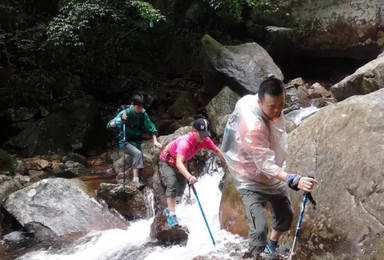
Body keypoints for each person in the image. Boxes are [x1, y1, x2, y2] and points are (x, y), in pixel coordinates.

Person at [220, 77, 317, 260]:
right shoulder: (253, 126)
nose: (278, 110)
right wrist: (293, 179)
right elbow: (264, 162)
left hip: (271, 176)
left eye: (281, 104)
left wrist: (284, 175)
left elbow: (273, 152)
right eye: (272, 106)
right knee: (259, 227)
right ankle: (256, 255)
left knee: (285, 215)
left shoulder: (272, 112)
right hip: (249, 178)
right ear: (259, 102)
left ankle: (271, 246)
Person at [159, 117, 226, 227]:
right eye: (201, 134)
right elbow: (179, 163)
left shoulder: (204, 140)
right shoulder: (185, 142)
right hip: (167, 161)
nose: (204, 137)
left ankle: (169, 208)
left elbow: (216, 151)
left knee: (181, 188)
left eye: (205, 134)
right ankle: (171, 215)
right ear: (194, 131)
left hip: (180, 163)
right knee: (172, 183)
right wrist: (190, 177)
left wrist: (228, 162)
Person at [107, 94, 162, 188]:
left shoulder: (143, 114)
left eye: (142, 106)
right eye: (138, 106)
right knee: (137, 154)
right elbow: (109, 126)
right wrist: (119, 120)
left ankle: (138, 180)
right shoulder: (125, 113)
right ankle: (135, 181)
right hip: (124, 141)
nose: (140, 108)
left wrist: (155, 141)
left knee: (139, 161)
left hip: (136, 141)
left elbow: (150, 127)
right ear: (132, 104)